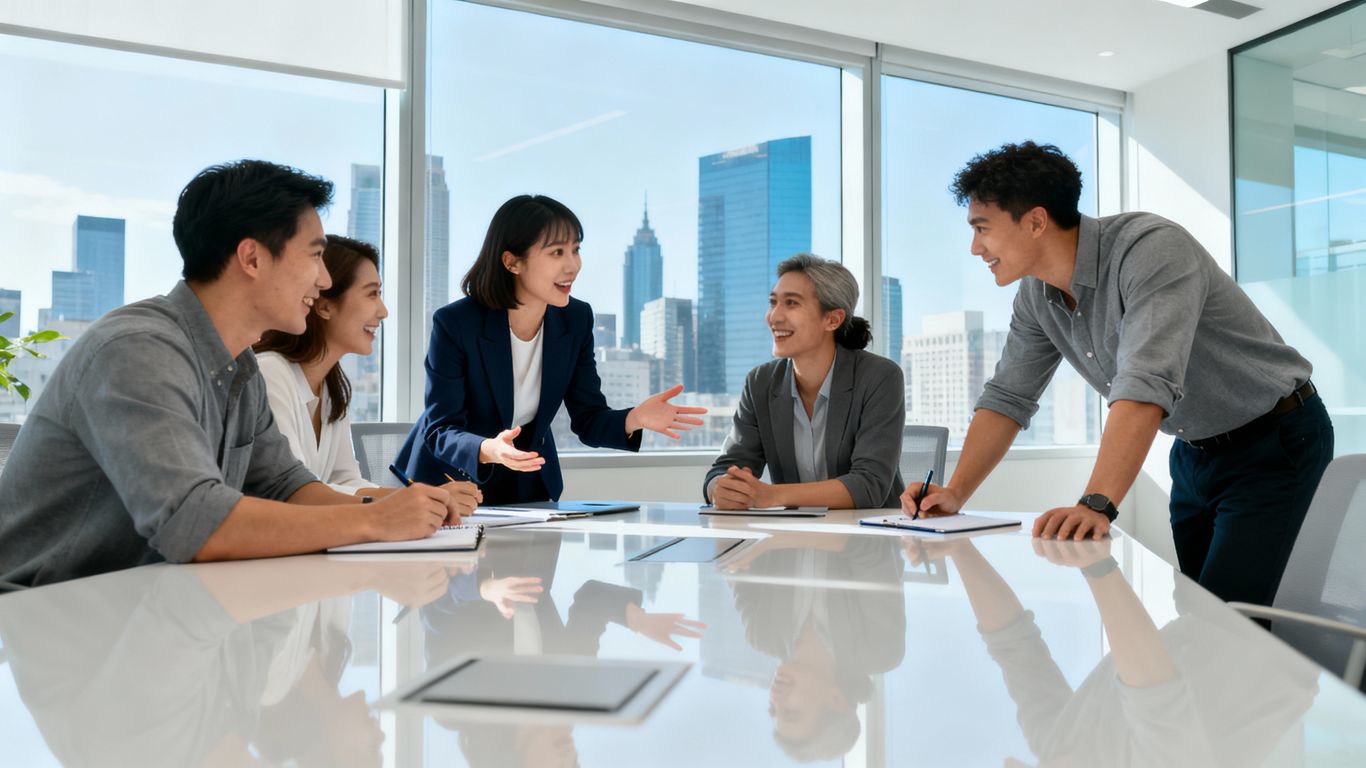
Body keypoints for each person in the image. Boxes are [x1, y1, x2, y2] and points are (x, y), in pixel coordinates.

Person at [903, 141, 1333, 605]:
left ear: (1035, 221)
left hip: (1277, 440)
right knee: (1197, 611)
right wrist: (955, 493)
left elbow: (1145, 381)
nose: (974, 247)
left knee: (1235, 621)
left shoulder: (1150, 249)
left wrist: (1096, 503)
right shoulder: (1036, 296)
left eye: (982, 228)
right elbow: (1008, 395)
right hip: (1194, 452)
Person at [0, 160, 463, 587]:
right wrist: (373, 522)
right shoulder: (138, 349)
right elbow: (193, 522)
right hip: (46, 619)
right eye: (315, 255)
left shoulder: (239, 367)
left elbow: (286, 486)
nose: (323, 280)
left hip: (148, 609)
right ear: (252, 258)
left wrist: (393, 506)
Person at [394, 194, 705, 504]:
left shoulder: (575, 319)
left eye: (575, 250)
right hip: (449, 487)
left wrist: (634, 418)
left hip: (529, 487)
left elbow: (588, 419)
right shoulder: (457, 323)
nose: (573, 265)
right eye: (557, 252)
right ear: (512, 262)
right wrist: (489, 449)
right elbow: (441, 430)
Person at [253, 235, 481, 516]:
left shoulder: (333, 387)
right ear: (324, 305)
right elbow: (295, 492)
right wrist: (414, 499)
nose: (383, 311)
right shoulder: (270, 374)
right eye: (372, 293)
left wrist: (418, 499)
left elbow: (344, 481)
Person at [704, 253, 905, 510]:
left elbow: (868, 485)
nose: (774, 317)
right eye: (773, 302)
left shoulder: (879, 377)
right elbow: (726, 466)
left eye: (791, 303)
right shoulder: (760, 382)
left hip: (870, 539)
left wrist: (773, 496)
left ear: (832, 319)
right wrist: (720, 487)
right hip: (797, 537)